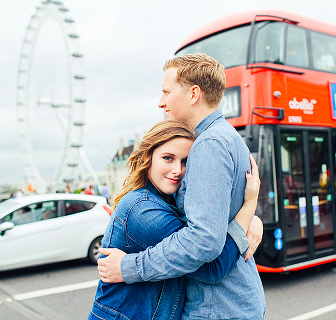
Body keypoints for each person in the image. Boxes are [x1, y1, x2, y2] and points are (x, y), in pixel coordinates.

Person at [98, 53, 266, 319]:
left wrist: (128, 267)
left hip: (217, 307)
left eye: (166, 91)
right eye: (168, 158)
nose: (161, 102)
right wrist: (249, 214)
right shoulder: (228, 137)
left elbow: (205, 241)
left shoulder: (209, 145)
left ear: (193, 94)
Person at [88, 120, 260, 319]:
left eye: (185, 161)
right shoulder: (142, 210)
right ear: (148, 157)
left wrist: (253, 219)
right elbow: (214, 267)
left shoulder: (170, 199)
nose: (178, 170)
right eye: (168, 158)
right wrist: (248, 207)